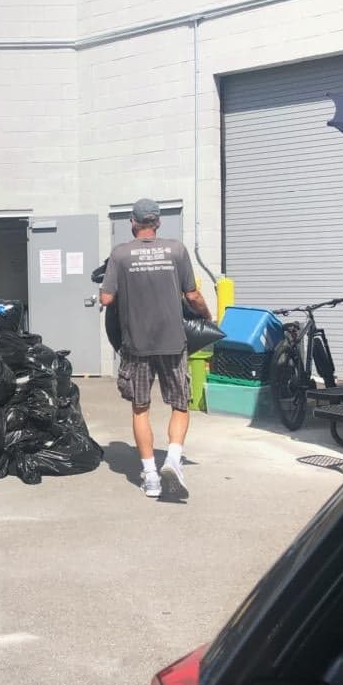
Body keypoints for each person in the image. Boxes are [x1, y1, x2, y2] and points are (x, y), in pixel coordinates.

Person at [99, 198, 214, 499]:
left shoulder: (120, 254)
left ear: (133, 223)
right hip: (173, 342)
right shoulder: (177, 250)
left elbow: (106, 299)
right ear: (158, 222)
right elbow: (192, 295)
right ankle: (173, 460)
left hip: (136, 344)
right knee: (180, 404)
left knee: (140, 408)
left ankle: (150, 476)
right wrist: (206, 315)